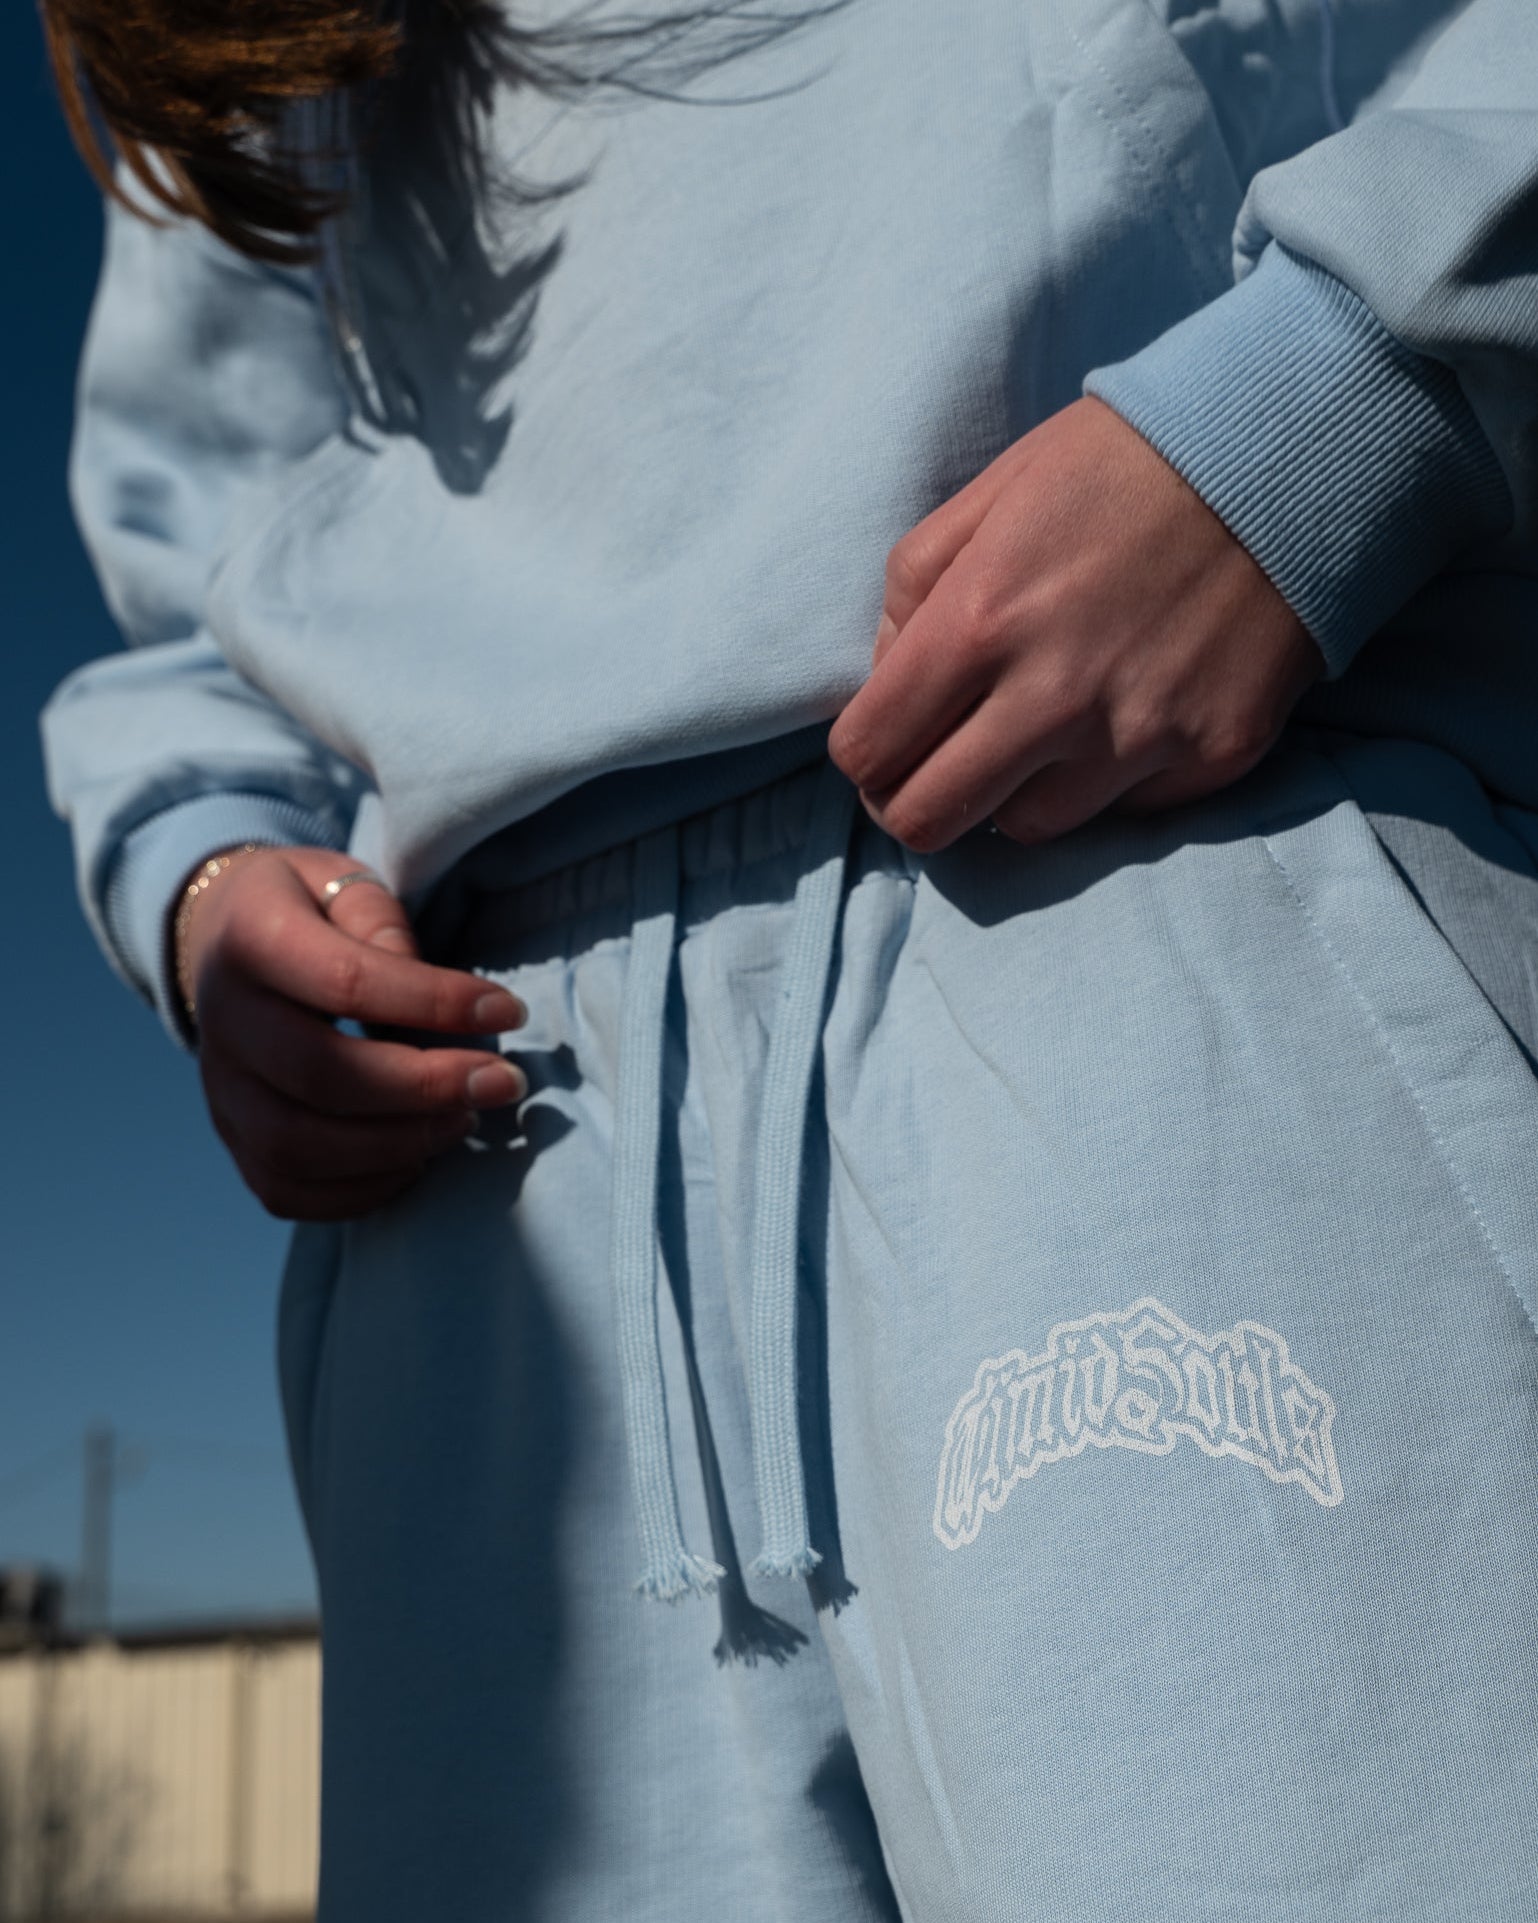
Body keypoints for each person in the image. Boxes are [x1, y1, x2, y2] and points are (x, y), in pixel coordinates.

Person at [38, 0, 1538, 1913]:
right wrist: (208, 863)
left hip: (1147, 896)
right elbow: (203, 518)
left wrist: (1349, 377)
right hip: (492, 1164)